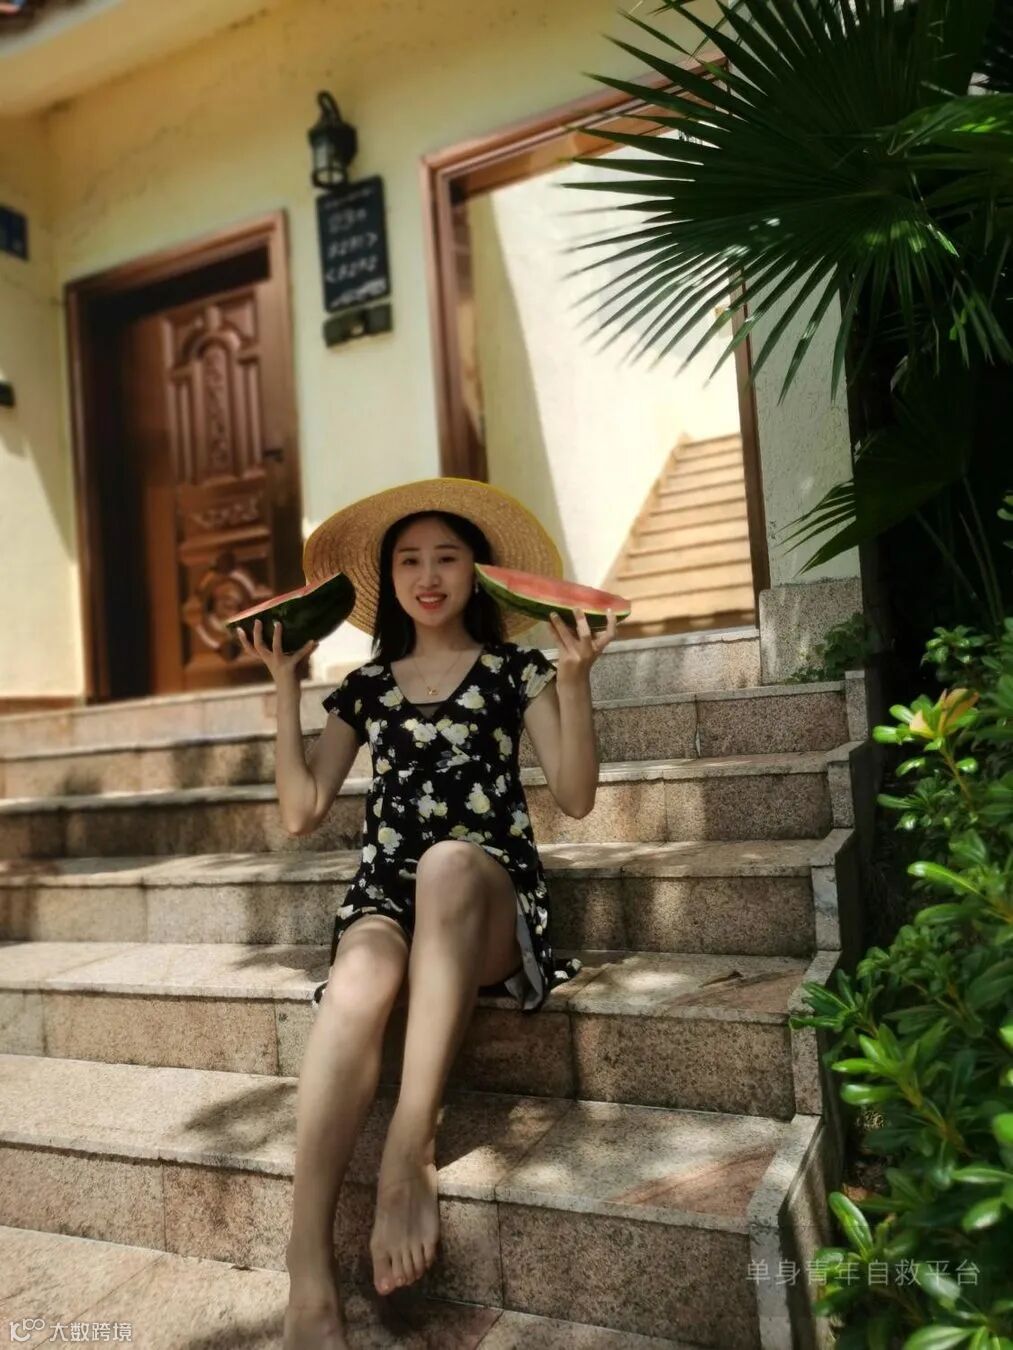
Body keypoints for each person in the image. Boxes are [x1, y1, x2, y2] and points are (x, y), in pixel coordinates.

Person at [237, 477, 616, 1350]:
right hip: (386, 894)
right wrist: (285, 689)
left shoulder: (516, 671)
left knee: (446, 863)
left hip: (485, 900)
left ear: (475, 572)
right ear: (389, 580)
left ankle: (408, 1149)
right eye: (408, 560)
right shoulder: (366, 687)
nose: (428, 575)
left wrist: (574, 680)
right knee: (357, 978)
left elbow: (575, 796)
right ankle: (306, 1267)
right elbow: (300, 811)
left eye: (446, 557)